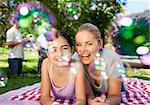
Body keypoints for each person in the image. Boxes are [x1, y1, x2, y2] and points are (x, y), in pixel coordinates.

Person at [75, 23, 125, 105]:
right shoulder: (75, 61)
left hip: (116, 89)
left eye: (89, 44)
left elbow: (115, 95)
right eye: (78, 44)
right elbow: (87, 96)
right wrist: (92, 101)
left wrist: (106, 103)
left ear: (100, 44)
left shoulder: (112, 59)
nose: (82, 50)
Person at [41, 31, 86, 105]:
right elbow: (44, 97)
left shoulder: (77, 66)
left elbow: (81, 100)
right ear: (47, 53)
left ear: (72, 50)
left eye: (64, 48)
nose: (60, 54)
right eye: (53, 49)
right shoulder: (46, 63)